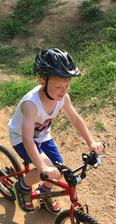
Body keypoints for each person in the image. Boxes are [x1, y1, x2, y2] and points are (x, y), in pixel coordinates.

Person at [9, 48, 104, 214]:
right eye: (59, 86)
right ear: (43, 82)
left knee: (59, 170)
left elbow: (75, 119)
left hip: (43, 136)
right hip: (22, 138)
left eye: (67, 85)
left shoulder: (63, 98)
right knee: (46, 167)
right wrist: (42, 167)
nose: (64, 90)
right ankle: (22, 186)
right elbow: (27, 138)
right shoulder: (31, 104)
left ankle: (44, 192)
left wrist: (91, 142)